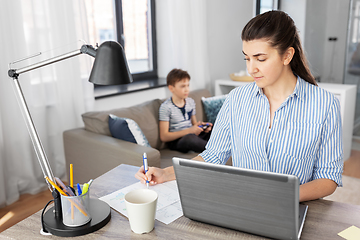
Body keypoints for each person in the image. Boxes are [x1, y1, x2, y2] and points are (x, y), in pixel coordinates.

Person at [136, 10, 343, 202]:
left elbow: (328, 177)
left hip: (293, 208)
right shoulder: (236, 99)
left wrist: (282, 197)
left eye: (260, 58)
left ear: (287, 56)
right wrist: (165, 173)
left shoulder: (324, 105)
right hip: (242, 205)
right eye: (247, 58)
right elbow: (213, 156)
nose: (251, 68)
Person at [159, 68, 213, 153]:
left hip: (192, 134)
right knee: (190, 138)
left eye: (188, 85)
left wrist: (201, 127)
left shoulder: (190, 102)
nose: (187, 89)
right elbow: (164, 136)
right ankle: (213, 151)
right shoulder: (166, 107)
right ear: (171, 88)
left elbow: (194, 123)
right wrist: (189, 131)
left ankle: (222, 148)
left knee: (214, 128)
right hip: (178, 140)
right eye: (183, 86)